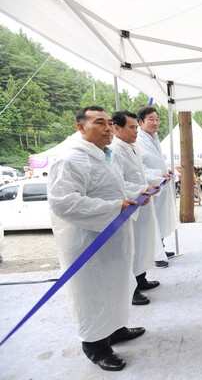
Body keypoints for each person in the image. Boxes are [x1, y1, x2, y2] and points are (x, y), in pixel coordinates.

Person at [48, 106, 146, 371]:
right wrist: (115, 208)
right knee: (92, 295)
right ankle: (96, 347)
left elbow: (117, 188)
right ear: (81, 127)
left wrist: (137, 195)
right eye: (99, 123)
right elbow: (64, 203)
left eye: (108, 124)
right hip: (87, 242)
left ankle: (114, 329)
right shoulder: (70, 160)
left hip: (113, 237)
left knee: (114, 286)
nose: (107, 128)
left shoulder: (106, 156)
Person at [110, 110, 162, 306]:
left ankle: (140, 278)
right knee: (130, 250)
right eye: (132, 127)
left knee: (141, 244)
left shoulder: (132, 147)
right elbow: (119, 182)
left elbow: (141, 174)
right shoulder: (115, 150)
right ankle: (132, 290)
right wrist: (140, 189)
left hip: (142, 202)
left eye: (135, 127)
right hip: (130, 205)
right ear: (117, 128)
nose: (136, 131)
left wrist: (155, 181)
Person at [136, 106, 177, 268]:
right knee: (150, 222)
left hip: (160, 184)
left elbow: (155, 160)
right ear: (141, 122)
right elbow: (140, 167)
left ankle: (160, 247)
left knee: (160, 219)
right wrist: (158, 174)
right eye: (151, 119)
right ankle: (155, 254)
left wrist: (164, 171)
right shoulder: (139, 139)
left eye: (157, 119)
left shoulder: (154, 137)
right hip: (149, 186)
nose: (155, 122)